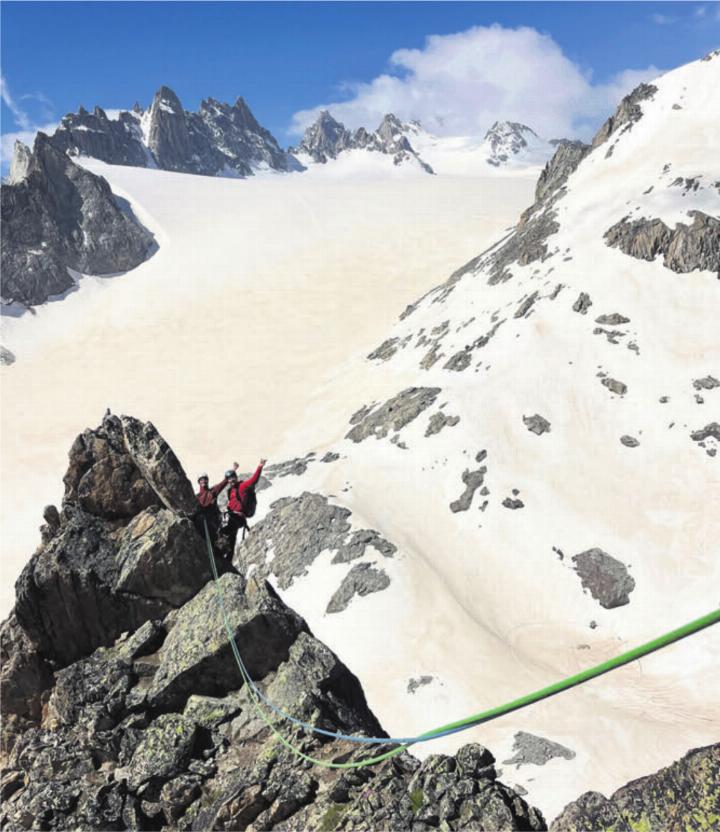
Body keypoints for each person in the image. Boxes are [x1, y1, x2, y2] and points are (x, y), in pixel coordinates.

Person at [221, 458, 267, 554]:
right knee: (232, 537)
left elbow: (254, 480)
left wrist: (260, 466)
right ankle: (226, 559)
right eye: (229, 479)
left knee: (226, 532)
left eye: (232, 478)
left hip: (238, 517)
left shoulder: (243, 486)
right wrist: (233, 469)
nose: (231, 480)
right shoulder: (231, 490)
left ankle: (220, 550)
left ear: (236, 478)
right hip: (231, 515)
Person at [195, 463, 238, 552]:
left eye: (205, 479)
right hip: (204, 523)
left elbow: (223, 483)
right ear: (199, 482)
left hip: (213, 522)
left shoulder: (213, 491)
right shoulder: (197, 497)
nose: (203, 481)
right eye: (201, 480)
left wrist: (233, 470)